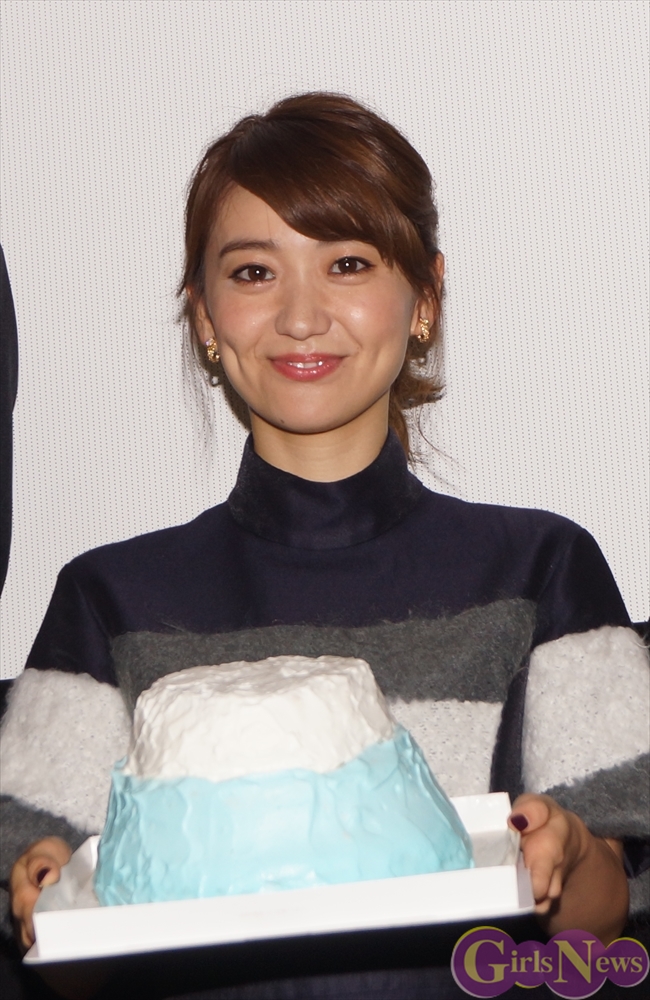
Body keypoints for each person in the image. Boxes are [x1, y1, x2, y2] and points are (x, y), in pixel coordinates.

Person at [1, 93, 647, 999]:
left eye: (347, 263)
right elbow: (58, 948)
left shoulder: (544, 567)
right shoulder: (107, 598)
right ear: (204, 316)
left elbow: (606, 922)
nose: (301, 317)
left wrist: (570, 853)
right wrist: (42, 898)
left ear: (424, 297)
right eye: (253, 272)